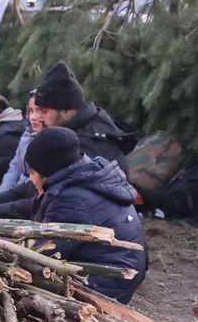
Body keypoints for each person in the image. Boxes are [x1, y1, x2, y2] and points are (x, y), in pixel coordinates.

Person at [21, 126, 147, 303]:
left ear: (46, 172)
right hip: (119, 275)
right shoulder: (85, 177)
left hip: (103, 286)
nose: (30, 179)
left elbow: (42, 254)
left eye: (32, 172)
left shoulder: (70, 199)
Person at [32, 61, 137, 174]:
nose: (38, 118)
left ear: (67, 110)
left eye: (44, 111)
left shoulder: (83, 147)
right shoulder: (79, 132)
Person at [0, 88, 42, 216]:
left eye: (39, 110)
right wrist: (1, 198)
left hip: (30, 197)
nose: (33, 117)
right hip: (18, 190)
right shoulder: (26, 135)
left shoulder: (52, 141)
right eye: (30, 111)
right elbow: (14, 169)